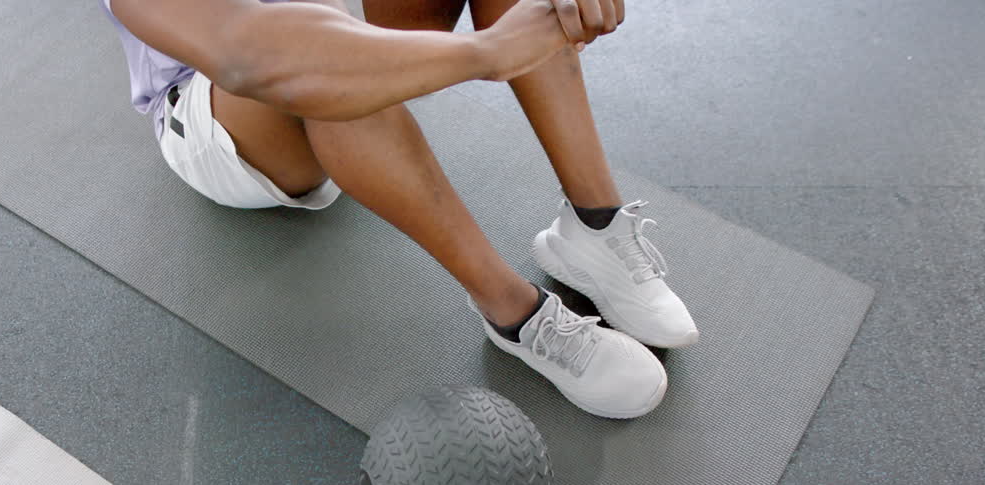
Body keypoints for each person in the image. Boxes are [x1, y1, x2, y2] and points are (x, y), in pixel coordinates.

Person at [101, 0, 698, 419]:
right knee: (323, 74)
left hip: (324, 37)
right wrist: (485, 51)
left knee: (329, 47)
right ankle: (513, 311)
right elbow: (244, 52)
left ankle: (594, 227)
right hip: (217, 104)